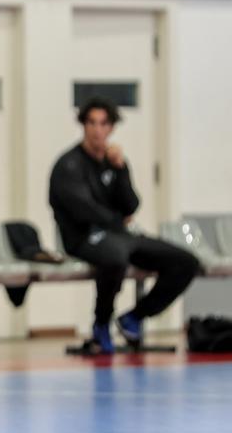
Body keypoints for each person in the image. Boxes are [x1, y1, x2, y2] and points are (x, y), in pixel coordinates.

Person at [49, 96, 198, 355]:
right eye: (92, 123)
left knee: (185, 262)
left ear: (111, 128)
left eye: (103, 124)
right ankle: (101, 323)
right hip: (83, 238)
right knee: (115, 257)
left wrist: (120, 171)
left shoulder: (115, 161)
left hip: (120, 235)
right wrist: (117, 220)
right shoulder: (68, 165)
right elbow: (84, 211)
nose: (97, 130)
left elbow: (131, 205)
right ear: (83, 125)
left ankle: (134, 318)